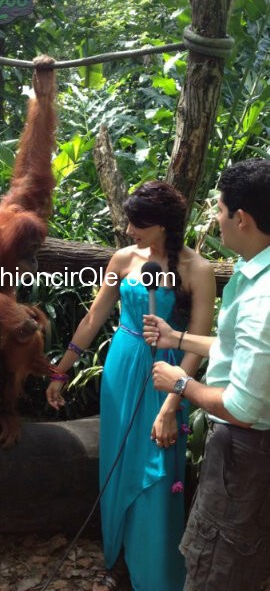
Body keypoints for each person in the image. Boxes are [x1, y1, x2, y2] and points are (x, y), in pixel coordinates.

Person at [46, 181, 215, 591]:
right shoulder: (122, 258)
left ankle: (154, 572)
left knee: (157, 470)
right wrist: (60, 370)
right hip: (122, 367)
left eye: (138, 222)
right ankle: (118, 561)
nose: (128, 229)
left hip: (169, 372)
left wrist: (173, 402)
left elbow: (199, 341)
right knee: (119, 465)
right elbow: (92, 319)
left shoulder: (199, 269)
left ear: (163, 225)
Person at [143, 158, 270, 591]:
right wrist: (177, 338)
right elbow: (241, 354)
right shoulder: (255, 273)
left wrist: (180, 384)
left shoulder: (262, 296)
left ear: (242, 219)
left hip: (246, 450)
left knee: (217, 563)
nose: (215, 217)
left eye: (218, 208)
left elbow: (243, 406)